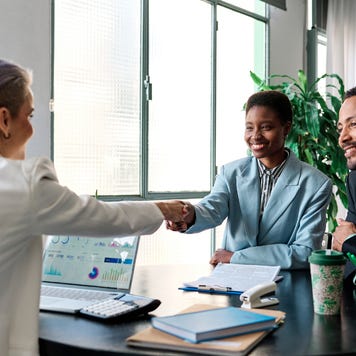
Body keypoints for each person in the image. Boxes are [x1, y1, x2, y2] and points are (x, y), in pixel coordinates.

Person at [0, 59, 186, 356]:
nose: (32, 129)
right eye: (30, 116)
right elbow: (103, 217)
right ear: (4, 120)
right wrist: (163, 208)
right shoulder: (23, 184)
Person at [167, 90, 332, 269]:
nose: (255, 136)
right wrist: (188, 214)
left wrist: (236, 257)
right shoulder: (230, 172)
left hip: (284, 284)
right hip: (232, 282)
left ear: (286, 128)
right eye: (249, 127)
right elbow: (212, 208)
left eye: (266, 127)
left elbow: (305, 252)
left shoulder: (316, 184)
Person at [332, 86, 356, 285]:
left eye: (354, 124)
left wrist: (349, 242)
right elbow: (349, 264)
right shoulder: (354, 180)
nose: (342, 138)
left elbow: (348, 244)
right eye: (340, 129)